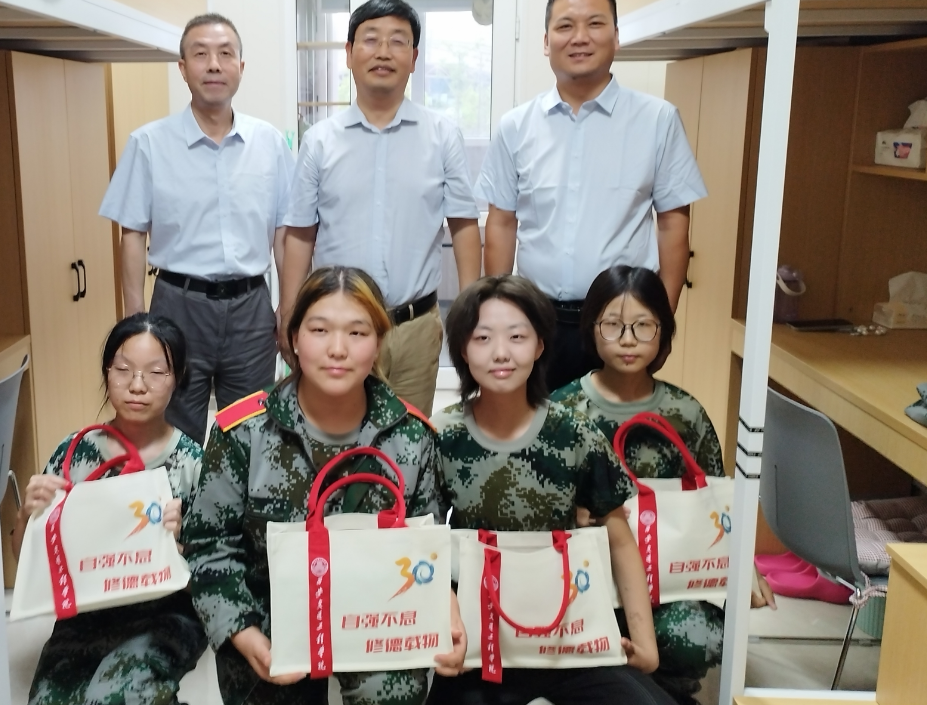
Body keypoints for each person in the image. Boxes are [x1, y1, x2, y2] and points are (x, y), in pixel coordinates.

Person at [184, 265, 466, 705]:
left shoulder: (411, 436)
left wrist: (445, 608)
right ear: (294, 338)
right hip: (272, 614)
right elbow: (209, 545)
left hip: (379, 613)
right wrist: (242, 633)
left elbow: (426, 542)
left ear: (378, 343)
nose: (338, 349)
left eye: (357, 333)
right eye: (319, 330)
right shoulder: (243, 432)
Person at [429, 275, 676, 705]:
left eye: (517, 336)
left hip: (568, 635)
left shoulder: (574, 432)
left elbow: (619, 536)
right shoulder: (442, 434)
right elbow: (423, 546)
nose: (501, 352)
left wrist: (644, 641)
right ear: (463, 350)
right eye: (483, 338)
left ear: (541, 344)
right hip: (481, 639)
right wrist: (447, 628)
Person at [477, 0, 707, 393]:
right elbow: (502, 223)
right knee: (536, 426)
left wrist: (661, 322)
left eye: (595, 24)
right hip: (536, 319)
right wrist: (495, 317)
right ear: (546, 41)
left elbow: (673, 224)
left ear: (616, 37)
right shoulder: (516, 127)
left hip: (623, 322)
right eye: (565, 26)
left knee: (615, 429)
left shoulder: (657, 120)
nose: (579, 37)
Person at [279, 0, 482, 417]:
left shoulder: (442, 135)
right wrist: (289, 312)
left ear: (414, 58)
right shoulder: (320, 140)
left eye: (398, 41)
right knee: (334, 435)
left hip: (414, 328)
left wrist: (470, 309)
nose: (384, 52)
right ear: (349, 53)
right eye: (371, 40)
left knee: (408, 441)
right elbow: (300, 233)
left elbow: (464, 225)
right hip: (338, 326)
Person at [100, 12, 295, 445]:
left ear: (241, 66)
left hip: (250, 308)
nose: (214, 65)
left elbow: (284, 233)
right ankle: (176, 494)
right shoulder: (149, 143)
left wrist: (288, 306)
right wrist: (136, 320)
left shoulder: (268, 144)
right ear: (183, 68)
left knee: (252, 433)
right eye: (201, 54)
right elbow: (131, 233)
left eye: (225, 54)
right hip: (176, 305)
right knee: (172, 431)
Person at [551, 266, 725, 704]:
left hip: (669, 582)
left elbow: (717, 505)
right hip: (586, 581)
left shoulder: (686, 413)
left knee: (691, 637)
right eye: (613, 325)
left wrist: (747, 568)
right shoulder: (562, 411)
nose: (628, 340)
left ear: (663, 332)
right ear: (592, 329)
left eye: (644, 325)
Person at [14, 313, 206, 705]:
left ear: (178, 378)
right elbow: (27, 560)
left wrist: (177, 546)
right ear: (107, 372)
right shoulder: (75, 453)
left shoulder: (192, 463)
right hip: (86, 612)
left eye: (156, 372)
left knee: (113, 697)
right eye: (122, 370)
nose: (137, 385)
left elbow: (214, 573)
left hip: (166, 614)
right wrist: (27, 515)